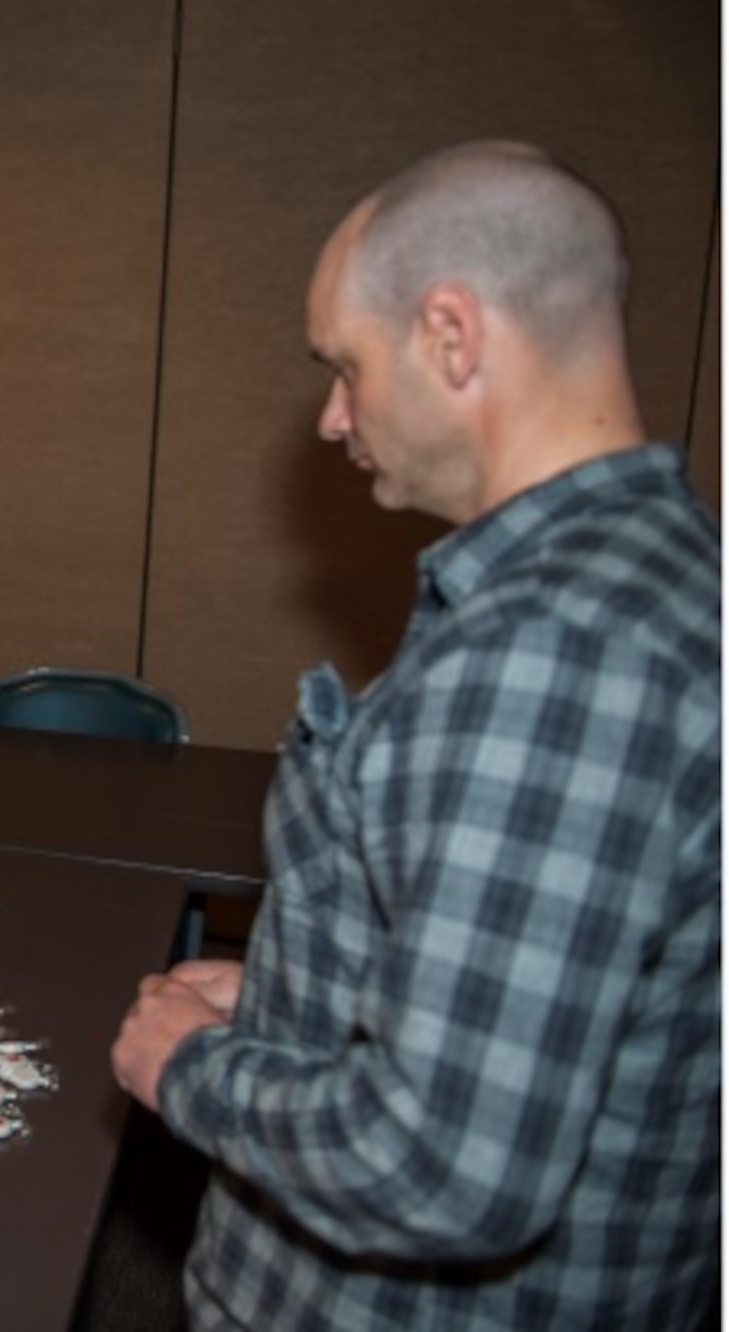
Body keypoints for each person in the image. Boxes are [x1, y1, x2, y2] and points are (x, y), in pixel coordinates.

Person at [111, 140, 720, 1329]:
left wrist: (184, 1068)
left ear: (450, 336)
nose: (333, 418)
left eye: (344, 365)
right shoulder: (656, 578)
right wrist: (296, 999)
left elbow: (444, 1170)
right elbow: (542, 987)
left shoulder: (550, 653)